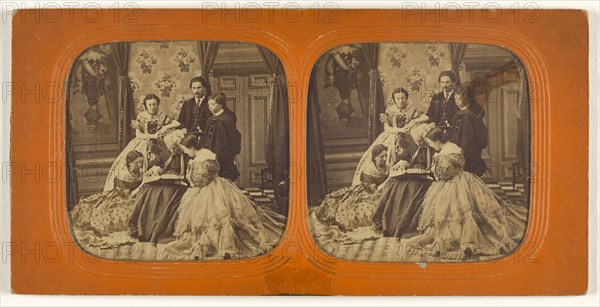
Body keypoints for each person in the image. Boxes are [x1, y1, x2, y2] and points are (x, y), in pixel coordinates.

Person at [403, 127, 527, 261]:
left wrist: (434, 168)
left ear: (438, 141)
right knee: (473, 208)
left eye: (431, 143)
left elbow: (443, 174)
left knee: (454, 211)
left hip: (452, 185)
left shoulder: (444, 154)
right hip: (466, 179)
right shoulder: (454, 147)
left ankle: (462, 236)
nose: (431, 146)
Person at [158, 149, 287, 260]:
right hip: (218, 184)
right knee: (221, 213)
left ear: (192, 147)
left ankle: (218, 240)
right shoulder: (206, 154)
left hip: (211, 189)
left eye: (186, 149)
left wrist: (190, 178)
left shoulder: (202, 158)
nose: (185, 152)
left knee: (216, 214)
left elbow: (202, 178)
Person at [309, 144, 389, 244]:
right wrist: (385, 184)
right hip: (366, 192)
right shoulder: (369, 169)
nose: (385, 159)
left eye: (386, 156)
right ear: (375, 157)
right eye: (381, 156)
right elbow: (371, 189)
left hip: (381, 191)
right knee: (363, 207)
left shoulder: (387, 166)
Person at [128, 130, 195, 246]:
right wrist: (154, 169)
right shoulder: (167, 152)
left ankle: (158, 230)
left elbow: (190, 175)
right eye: (170, 148)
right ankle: (142, 228)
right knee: (149, 189)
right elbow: (155, 162)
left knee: (166, 194)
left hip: (179, 186)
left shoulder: (186, 155)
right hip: (163, 181)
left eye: (174, 148)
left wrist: (180, 178)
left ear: (180, 145)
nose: (172, 151)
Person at [103, 94, 179, 192]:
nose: (152, 107)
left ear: (158, 104)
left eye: (154, 104)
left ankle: (151, 190)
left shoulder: (162, 116)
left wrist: (165, 127)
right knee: (136, 164)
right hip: (143, 142)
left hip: (159, 144)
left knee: (160, 164)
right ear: (145, 105)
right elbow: (138, 135)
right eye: (150, 105)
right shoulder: (141, 116)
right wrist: (152, 136)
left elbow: (177, 123)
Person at [351, 87, 427, 185]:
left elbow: (426, 117)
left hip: (408, 138)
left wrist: (414, 121)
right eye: (398, 98)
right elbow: (387, 128)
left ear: (406, 98)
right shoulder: (390, 111)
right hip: (392, 136)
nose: (400, 101)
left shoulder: (411, 109)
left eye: (403, 98)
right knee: (387, 157)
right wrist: (400, 130)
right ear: (394, 99)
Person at [373, 123, 435, 239]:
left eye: (421, 141)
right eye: (417, 141)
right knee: (395, 186)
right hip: (411, 176)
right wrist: (401, 162)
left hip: (426, 180)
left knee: (412, 189)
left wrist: (427, 172)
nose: (418, 144)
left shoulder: (432, 148)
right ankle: (389, 223)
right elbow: (404, 156)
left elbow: (435, 167)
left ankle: (404, 225)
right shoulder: (415, 146)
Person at [70, 150, 144, 248]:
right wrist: (141, 186)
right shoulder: (123, 174)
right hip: (120, 196)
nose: (140, 165)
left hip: (134, 195)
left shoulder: (140, 171)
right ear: (130, 163)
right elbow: (126, 195)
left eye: (141, 162)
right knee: (123, 211)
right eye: (137, 163)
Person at [449, 84, 488, 177]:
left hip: (470, 153)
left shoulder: (472, 116)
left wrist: (474, 149)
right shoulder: (457, 114)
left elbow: (481, 137)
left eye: (459, 99)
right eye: (455, 99)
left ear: (467, 99)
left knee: (470, 177)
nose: (457, 102)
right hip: (459, 152)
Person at [203, 92, 242, 181]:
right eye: (209, 105)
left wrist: (232, 154)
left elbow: (234, 137)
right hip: (211, 156)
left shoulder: (227, 119)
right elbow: (207, 138)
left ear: (221, 104)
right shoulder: (209, 120)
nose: (210, 107)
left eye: (213, 104)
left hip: (225, 157)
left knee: (224, 180)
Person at [324, 44, 363, 127]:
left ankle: (345, 116)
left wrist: (354, 65)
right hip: (341, 78)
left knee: (346, 97)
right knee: (345, 97)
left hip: (347, 78)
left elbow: (350, 66)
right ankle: (343, 115)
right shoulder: (336, 54)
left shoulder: (348, 52)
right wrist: (331, 76)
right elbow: (329, 67)